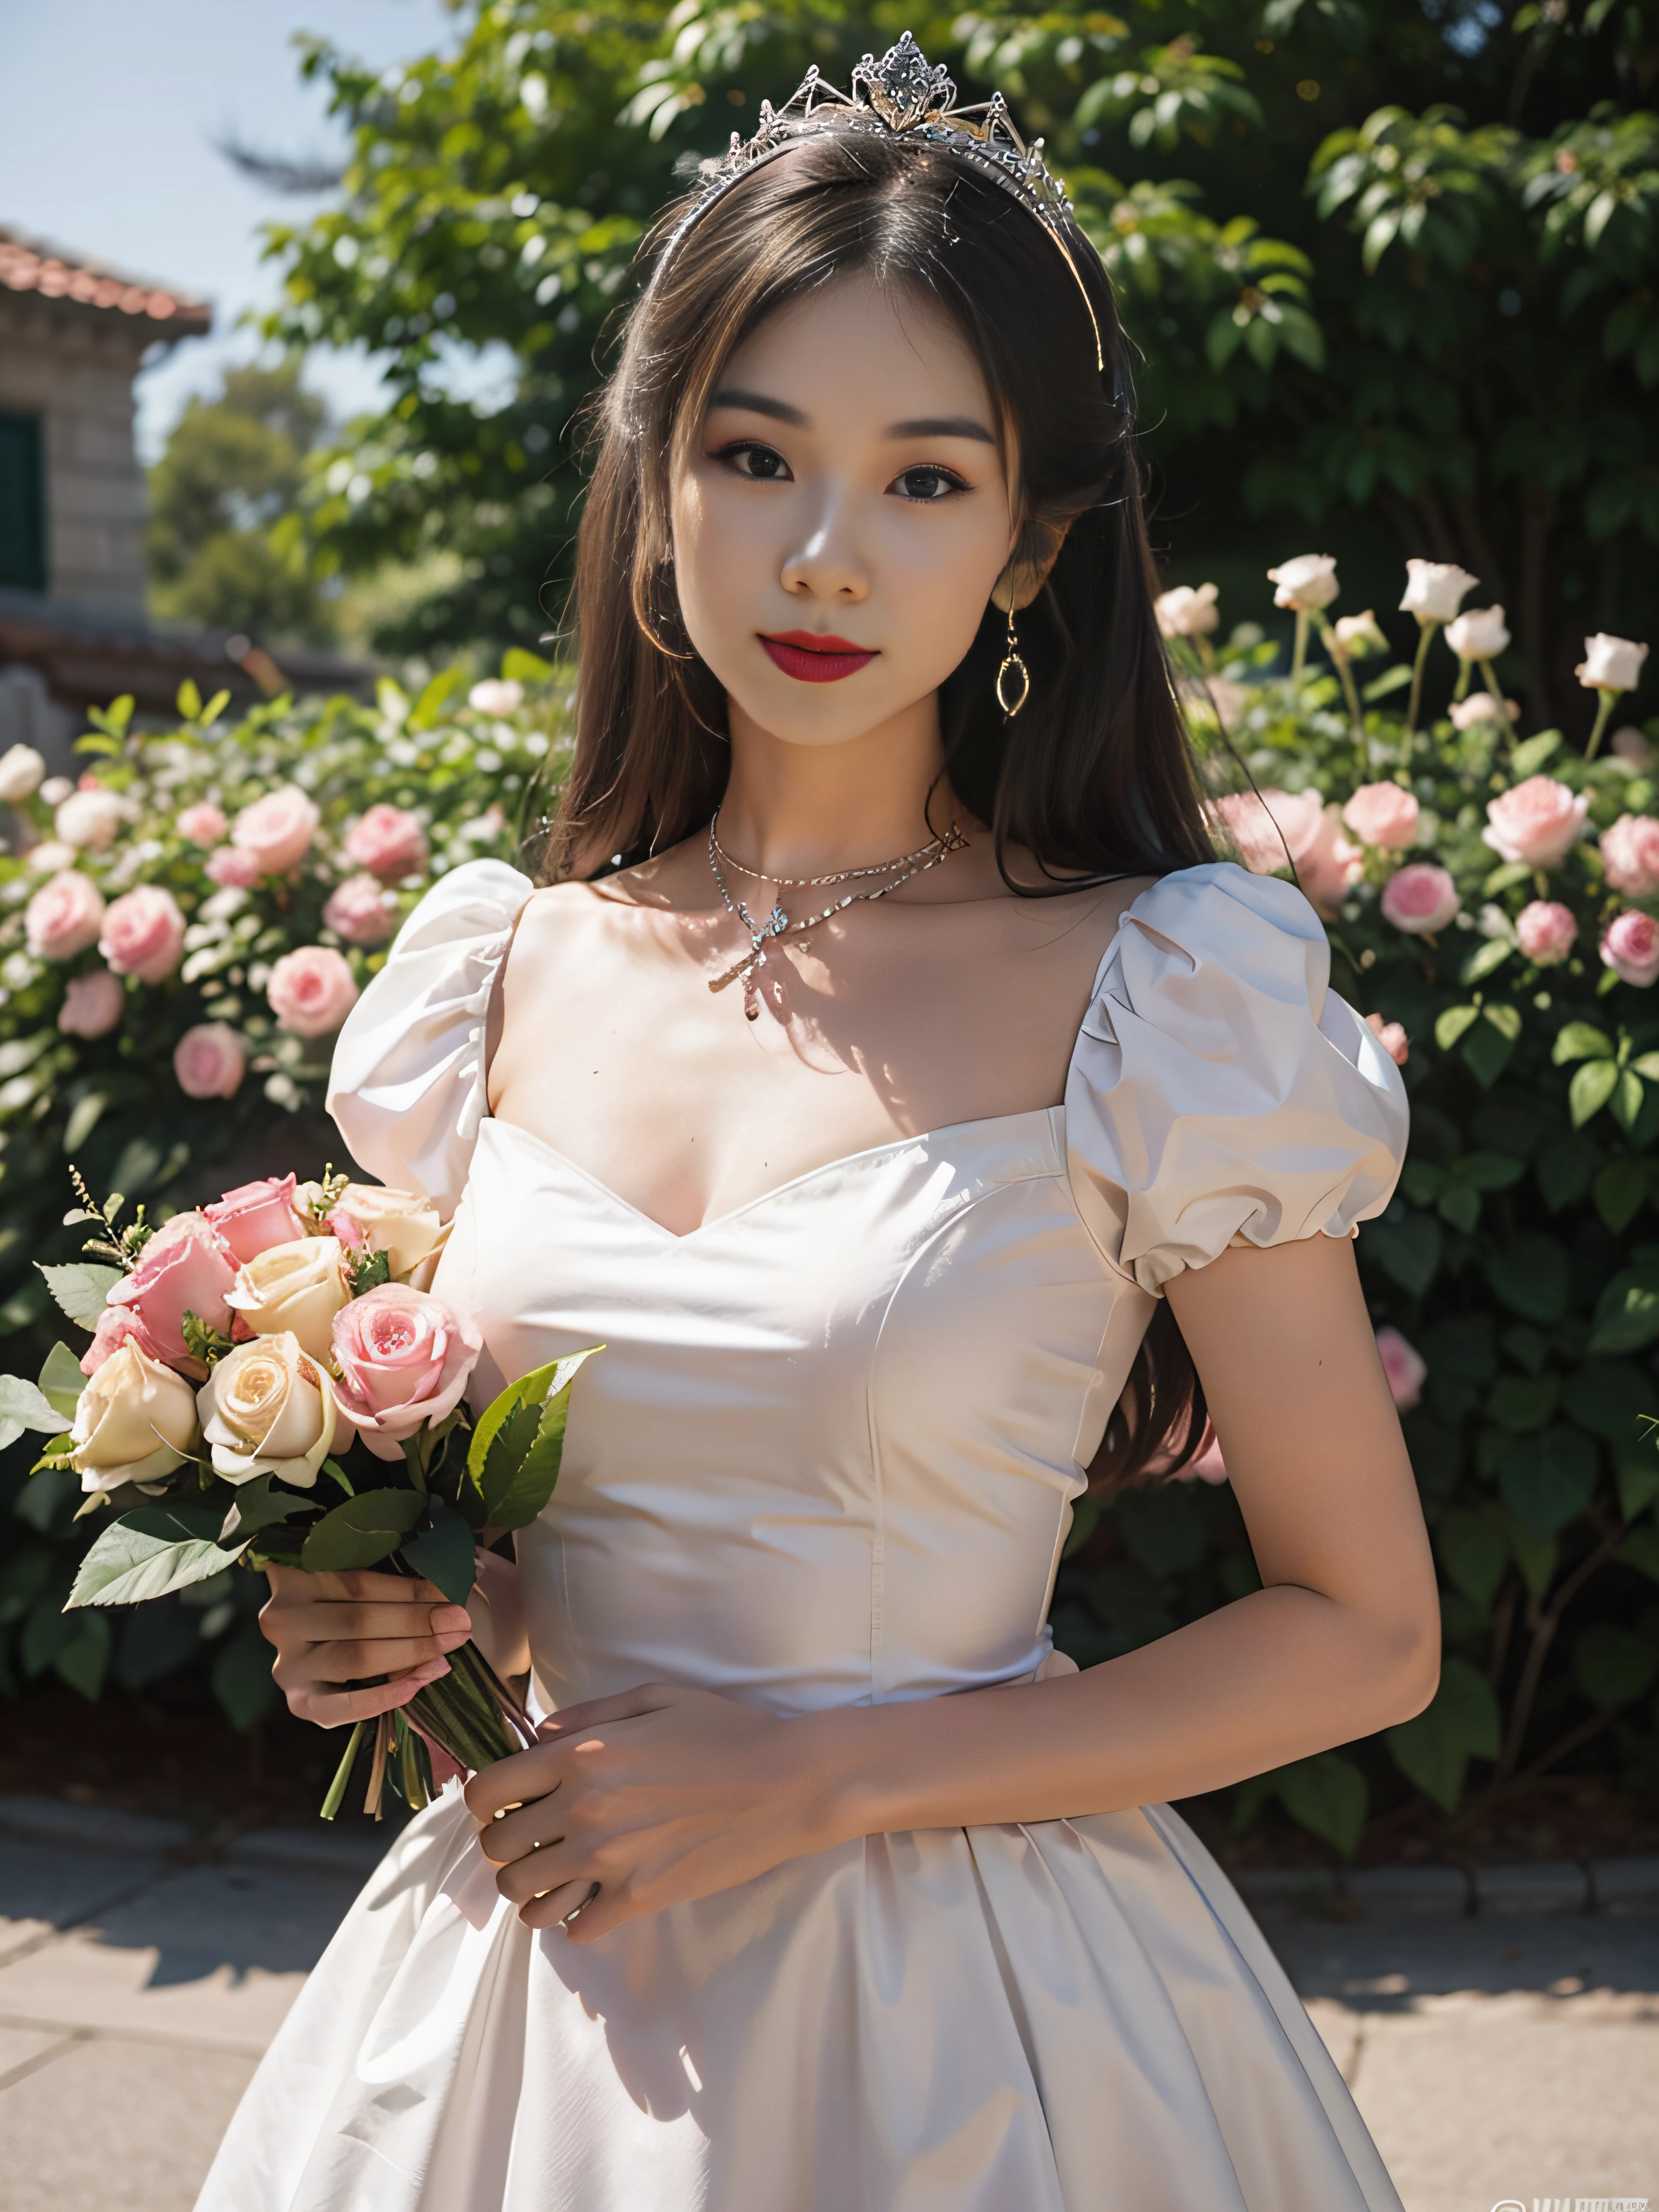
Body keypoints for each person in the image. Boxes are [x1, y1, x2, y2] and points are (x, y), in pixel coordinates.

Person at [200, 38, 1433, 2211]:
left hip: (968, 2012)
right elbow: (510, 1568)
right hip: (523, 1984)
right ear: (661, 489)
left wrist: (824, 1778)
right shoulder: (495, 972)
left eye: (927, 480)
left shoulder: (1166, 986)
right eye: (758, 454)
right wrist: (393, 1622)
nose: (829, 551)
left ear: (1035, 552)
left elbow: (1363, 1627)